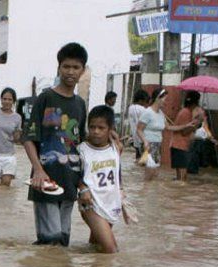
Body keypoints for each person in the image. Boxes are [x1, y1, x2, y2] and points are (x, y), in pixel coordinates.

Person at [23, 42, 89, 247]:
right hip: (46, 181)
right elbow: (28, 138)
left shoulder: (80, 104)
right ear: (58, 68)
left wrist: (82, 182)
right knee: (50, 241)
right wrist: (38, 171)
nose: (70, 72)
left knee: (63, 242)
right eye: (66, 67)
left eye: (76, 67)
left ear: (83, 71)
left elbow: (81, 143)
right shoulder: (46, 98)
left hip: (70, 181)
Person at [77, 105, 122, 254]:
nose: (96, 131)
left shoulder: (116, 148)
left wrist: (122, 190)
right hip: (91, 203)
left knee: (97, 247)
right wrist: (82, 187)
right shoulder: (82, 150)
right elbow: (73, 173)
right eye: (92, 127)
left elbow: (117, 171)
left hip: (110, 202)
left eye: (101, 128)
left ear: (110, 129)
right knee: (111, 250)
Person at [136, 88, 195, 181]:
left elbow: (169, 127)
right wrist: (145, 141)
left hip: (158, 145)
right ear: (157, 98)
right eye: (165, 99)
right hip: (148, 145)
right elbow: (139, 129)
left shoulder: (161, 113)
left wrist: (186, 125)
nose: (166, 102)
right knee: (150, 172)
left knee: (155, 173)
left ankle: (149, 193)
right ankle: (145, 191)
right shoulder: (147, 112)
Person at [170, 90, 202, 182]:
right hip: (179, 146)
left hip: (177, 146)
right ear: (195, 102)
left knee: (179, 178)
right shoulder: (186, 113)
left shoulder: (185, 111)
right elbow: (184, 132)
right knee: (182, 179)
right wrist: (197, 122)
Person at [127, 89, 150, 160]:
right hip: (144, 139)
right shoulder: (142, 109)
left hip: (136, 139)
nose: (146, 103)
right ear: (140, 100)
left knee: (138, 158)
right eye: (145, 101)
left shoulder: (130, 108)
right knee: (145, 161)